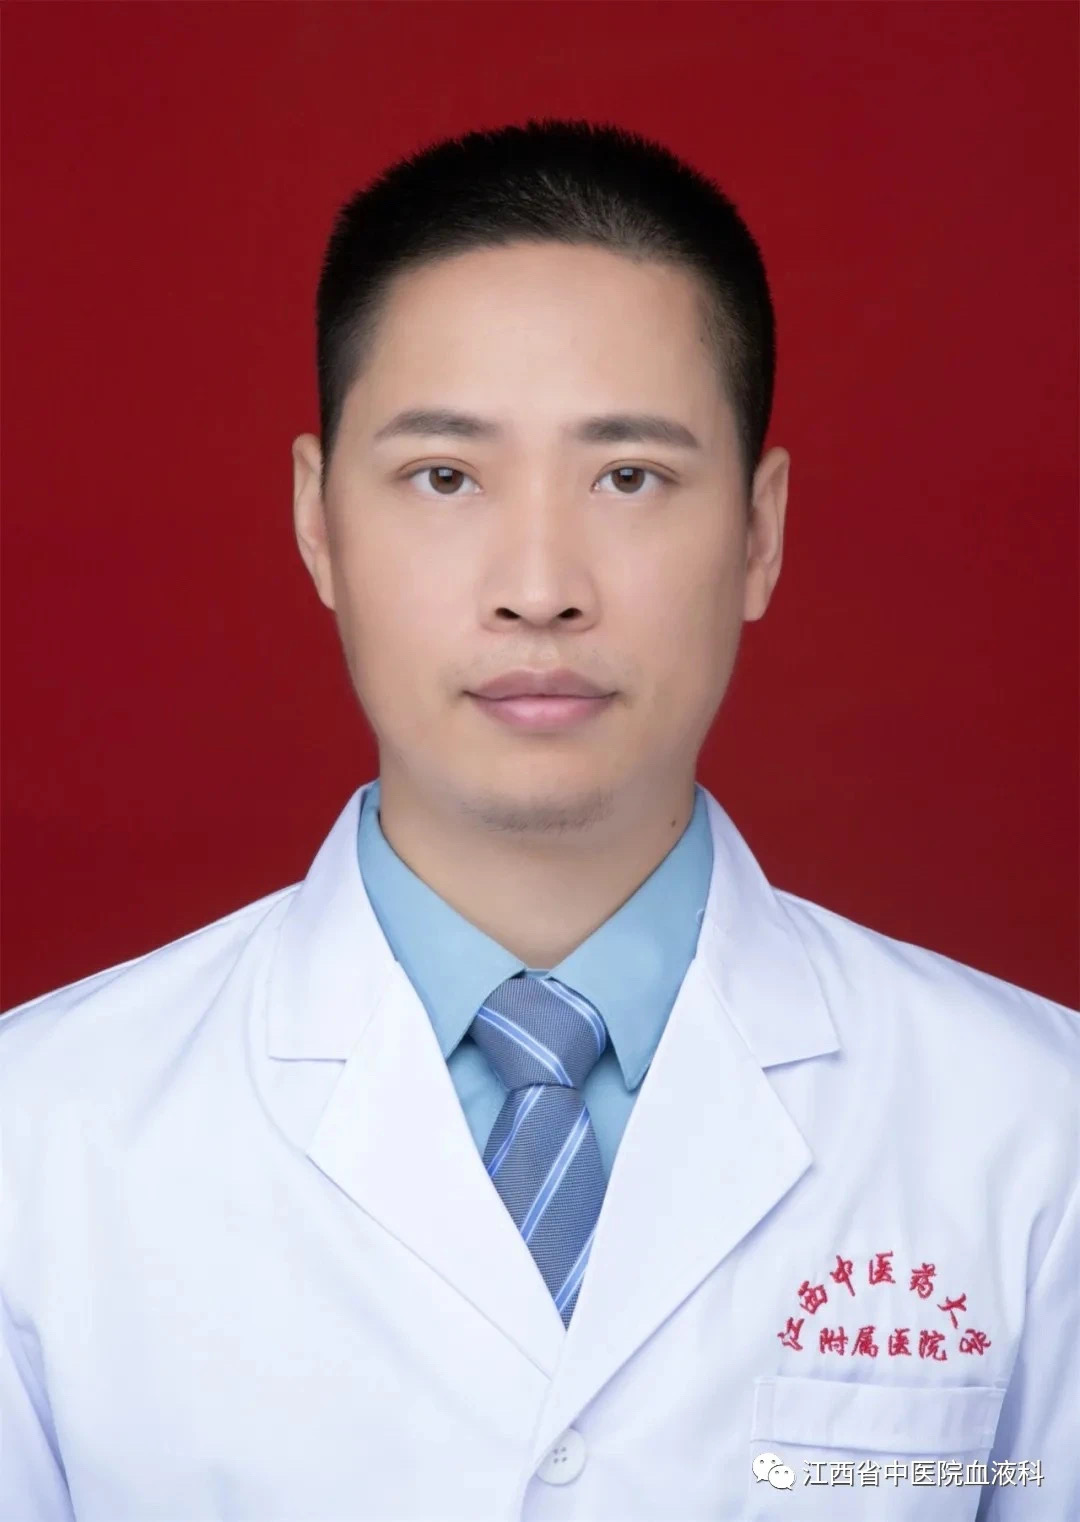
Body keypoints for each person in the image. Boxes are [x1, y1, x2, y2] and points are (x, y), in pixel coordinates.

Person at [1, 117, 1076, 1522]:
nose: (540, 586)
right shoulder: (40, 1137)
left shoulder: (1034, 1128)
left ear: (759, 532)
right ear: (318, 520)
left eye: (629, 476)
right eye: (445, 476)